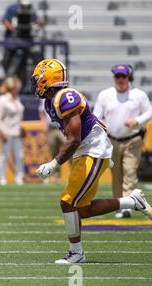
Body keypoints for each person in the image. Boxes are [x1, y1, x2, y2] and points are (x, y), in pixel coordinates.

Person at [31, 59, 152, 264]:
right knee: (83, 209)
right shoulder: (51, 101)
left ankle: (76, 253)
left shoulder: (65, 98)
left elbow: (74, 139)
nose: (35, 83)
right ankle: (132, 201)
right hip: (87, 152)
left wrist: (53, 164)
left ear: (48, 80)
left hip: (92, 152)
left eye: (39, 79)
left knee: (68, 202)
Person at [93, 64, 152, 219]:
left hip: (132, 139)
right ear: (114, 77)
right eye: (118, 76)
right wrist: (102, 123)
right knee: (117, 174)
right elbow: (96, 115)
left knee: (130, 172)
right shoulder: (105, 95)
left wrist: (137, 120)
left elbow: (149, 111)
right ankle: (120, 205)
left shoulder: (138, 95)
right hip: (111, 141)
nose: (120, 80)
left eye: (123, 76)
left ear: (128, 77)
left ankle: (128, 207)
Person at [1, 0, 45, 89]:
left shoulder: (31, 10)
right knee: (9, 67)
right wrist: (15, 29)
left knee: (24, 67)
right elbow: (5, 21)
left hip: (25, 45)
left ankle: (26, 86)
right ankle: (9, 85)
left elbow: (36, 22)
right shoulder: (12, 8)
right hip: (12, 44)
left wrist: (37, 23)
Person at [0, 76, 25, 185]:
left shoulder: (17, 99)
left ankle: (19, 177)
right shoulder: (2, 99)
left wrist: (21, 127)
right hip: (7, 132)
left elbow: (19, 116)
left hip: (17, 132)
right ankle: (2, 178)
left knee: (19, 155)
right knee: (4, 156)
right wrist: (2, 131)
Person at [38, 98, 66, 183]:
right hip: (51, 128)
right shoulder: (45, 99)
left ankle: (75, 172)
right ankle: (56, 176)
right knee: (54, 153)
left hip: (62, 128)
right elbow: (41, 112)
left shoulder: (61, 96)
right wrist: (44, 124)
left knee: (70, 149)